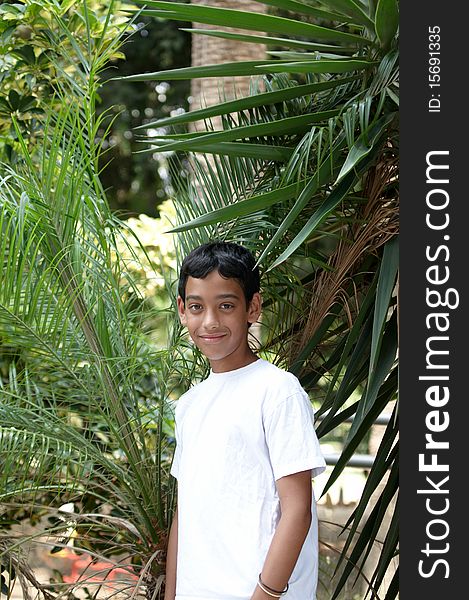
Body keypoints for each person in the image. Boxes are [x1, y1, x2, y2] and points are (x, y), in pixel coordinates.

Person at [165, 241, 326, 600]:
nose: (210, 321)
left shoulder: (278, 391)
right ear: (181, 310)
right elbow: (184, 514)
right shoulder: (189, 405)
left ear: (252, 307)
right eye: (196, 307)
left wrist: (264, 596)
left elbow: (297, 510)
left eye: (226, 306)